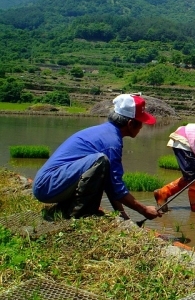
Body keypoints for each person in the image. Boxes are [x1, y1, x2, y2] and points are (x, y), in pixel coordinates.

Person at [33, 93, 162, 221]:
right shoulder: (111, 143)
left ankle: (78, 208)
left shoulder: (106, 132)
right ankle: (80, 214)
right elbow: (117, 189)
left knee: (101, 164)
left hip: (50, 184)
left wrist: (124, 216)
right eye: (140, 123)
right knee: (100, 161)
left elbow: (111, 184)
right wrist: (143, 210)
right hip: (47, 187)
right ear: (130, 123)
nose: (142, 126)